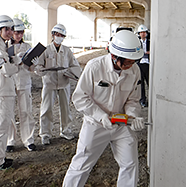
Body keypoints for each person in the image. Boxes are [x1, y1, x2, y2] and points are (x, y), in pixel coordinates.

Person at [62, 30, 145, 187]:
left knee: (130, 164)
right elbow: (80, 97)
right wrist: (100, 116)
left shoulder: (134, 70)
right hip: (96, 124)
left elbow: (133, 100)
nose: (130, 66)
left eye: (133, 62)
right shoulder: (95, 67)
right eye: (127, 62)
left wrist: (133, 117)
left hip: (122, 125)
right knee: (81, 165)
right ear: (114, 56)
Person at [32, 24, 81, 145]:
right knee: (46, 109)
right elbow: (38, 67)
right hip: (49, 83)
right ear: (53, 35)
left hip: (64, 83)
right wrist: (38, 68)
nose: (59, 37)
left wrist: (70, 73)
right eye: (57, 35)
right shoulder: (45, 50)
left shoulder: (67, 51)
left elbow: (75, 66)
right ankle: (45, 134)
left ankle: (66, 130)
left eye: (61, 35)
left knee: (66, 108)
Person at [0, 15, 22, 170]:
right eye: (6, 29)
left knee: (3, 126)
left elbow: (8, 64)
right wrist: (18, 63)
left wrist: (13, 59)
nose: (9, 32)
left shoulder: (3, 45)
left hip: (5, 91)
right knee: (0, 128)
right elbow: (7, 70)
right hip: (1, 92)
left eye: (11, 29)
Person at [6, 18, 36, 152]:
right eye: (17, 32)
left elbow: (31, 68)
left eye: (21, 33)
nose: (19, 35)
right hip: (10, 83)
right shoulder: (5, 47)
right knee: (10, 113)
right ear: (11, 32)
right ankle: (10, 141)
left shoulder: (27, 46)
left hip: (24, 82)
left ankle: (28, 140)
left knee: (26, 111)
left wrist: (33, 63)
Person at [137, 24, 150, 108]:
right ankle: (143, 100)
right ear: (139, 34)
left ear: (146, 33)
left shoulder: (150, 42)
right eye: (141, 32)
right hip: (140, 64)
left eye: (144, 32)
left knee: (149, 83)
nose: (143, 34)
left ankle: (150, 99)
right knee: (141, 85)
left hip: (148, 64)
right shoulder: (137, 42)